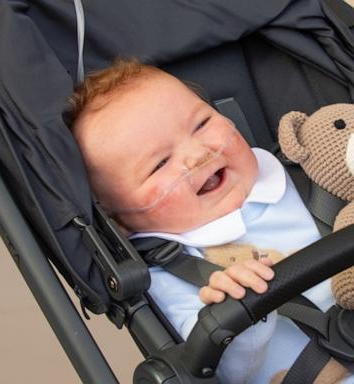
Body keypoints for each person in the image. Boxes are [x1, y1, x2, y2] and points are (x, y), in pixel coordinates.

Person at [68, 59, 350, 383]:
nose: (197, 154)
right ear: (119, 220)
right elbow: (218, 371)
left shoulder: (307, 173)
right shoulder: (168, 275)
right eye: (160, 164)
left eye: (201, 124)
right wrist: (233, 312)